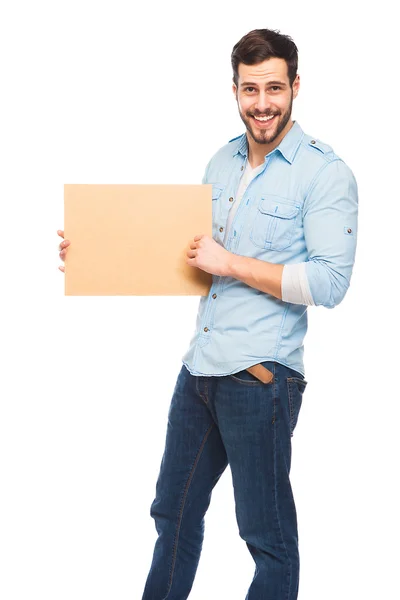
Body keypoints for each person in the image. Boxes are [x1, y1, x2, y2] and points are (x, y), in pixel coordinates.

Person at [58, 28, 358, 600]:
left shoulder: (325, 173)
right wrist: (92, 252)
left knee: (266, 538)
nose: (262, 102)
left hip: (262, 379)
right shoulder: (220, 161)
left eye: (274, 87)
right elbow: (189, 257)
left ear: (296, 87)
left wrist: (234, 263)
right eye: (251, 89)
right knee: (172, 515)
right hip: (200, 372)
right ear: (235, 91)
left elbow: (330, 282)